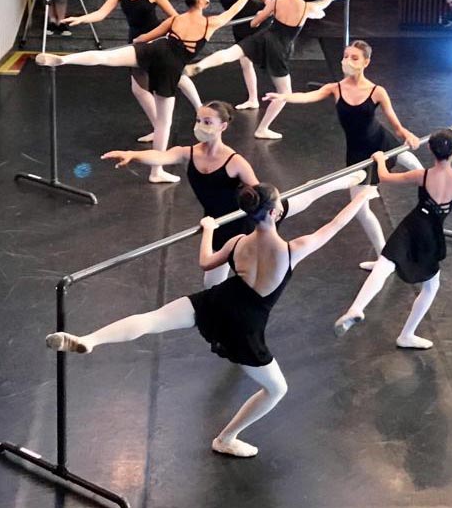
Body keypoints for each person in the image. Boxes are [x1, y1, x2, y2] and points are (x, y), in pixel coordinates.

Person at [46, 184, 377, 458]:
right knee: (276, 389)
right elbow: (334, 226)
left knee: (151, 319)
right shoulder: (293, 249)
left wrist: (208, 229)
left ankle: (90, 339)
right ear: (276, 213)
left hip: (217, 301)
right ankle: (226, 438)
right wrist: (361, 196)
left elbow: (206, 263)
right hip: (244, 325)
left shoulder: (237, 242)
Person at [101, 100, 366, 287]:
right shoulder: (188, 153)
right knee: (211, 283)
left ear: (222, 126)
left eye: (207, 122)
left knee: (305, 195)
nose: (200, 125)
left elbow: (260, 193)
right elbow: (161, 154)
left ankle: (340, 181)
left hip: (248, 218)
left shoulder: (235, 161)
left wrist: (273, 211)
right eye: (198, 120)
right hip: (218, 224)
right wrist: (133, 154)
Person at [36, 0, 263, 183]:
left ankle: (64, 60)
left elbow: (146, 37)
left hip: (153, 50)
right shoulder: (210, 23)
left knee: (104, 58)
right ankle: (156, 172)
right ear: (203, 1)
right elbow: (235, 9)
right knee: (163, 123)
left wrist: (137, 43)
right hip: (171, 66)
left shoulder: (175, 18)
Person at [263, 40, 422, 269]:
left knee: (418, 171)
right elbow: (308, 96)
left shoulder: (377, 91)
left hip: (383, 143)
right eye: (346, 56)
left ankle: (435, 198)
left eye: (354, 57)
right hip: (358, 156)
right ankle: (383, 258)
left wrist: (408, 135)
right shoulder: (334, 88)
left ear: (366, 62)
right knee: (361, 209)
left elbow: (397, 126)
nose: (347, 61)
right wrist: (284, 97)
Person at [334, 126, 452, 349]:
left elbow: (386, 177)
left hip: (413, 225)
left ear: (430, 149)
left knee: (384, 265)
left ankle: (357, 307)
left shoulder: (423, 175)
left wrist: (380, 158)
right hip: (432, 234)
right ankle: (407, 334)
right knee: (430, 287)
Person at [185, 0, 346, 140]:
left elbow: (254, 23)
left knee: (230, 53)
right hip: (279, 48)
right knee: (284, 93)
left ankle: (201, 65)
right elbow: (324, 4)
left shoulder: (276, 2)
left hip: (263, 37)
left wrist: (262, 13)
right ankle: (262, 129)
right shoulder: (306, 7)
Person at [61, 0, 202, 132]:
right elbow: (102, 13)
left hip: (156, 40)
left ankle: (200, 108)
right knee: (138, 88)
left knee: (178, 77)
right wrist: (81, 19)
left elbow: (175, 17)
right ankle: (158, 127)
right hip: (135, 41)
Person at [172, 0, 271, 110]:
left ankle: (268, 90)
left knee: (255, 59)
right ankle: (253, 99)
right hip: (238, 25)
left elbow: (268, 2)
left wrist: (263, 15)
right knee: (245, 62)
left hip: (255, 22)